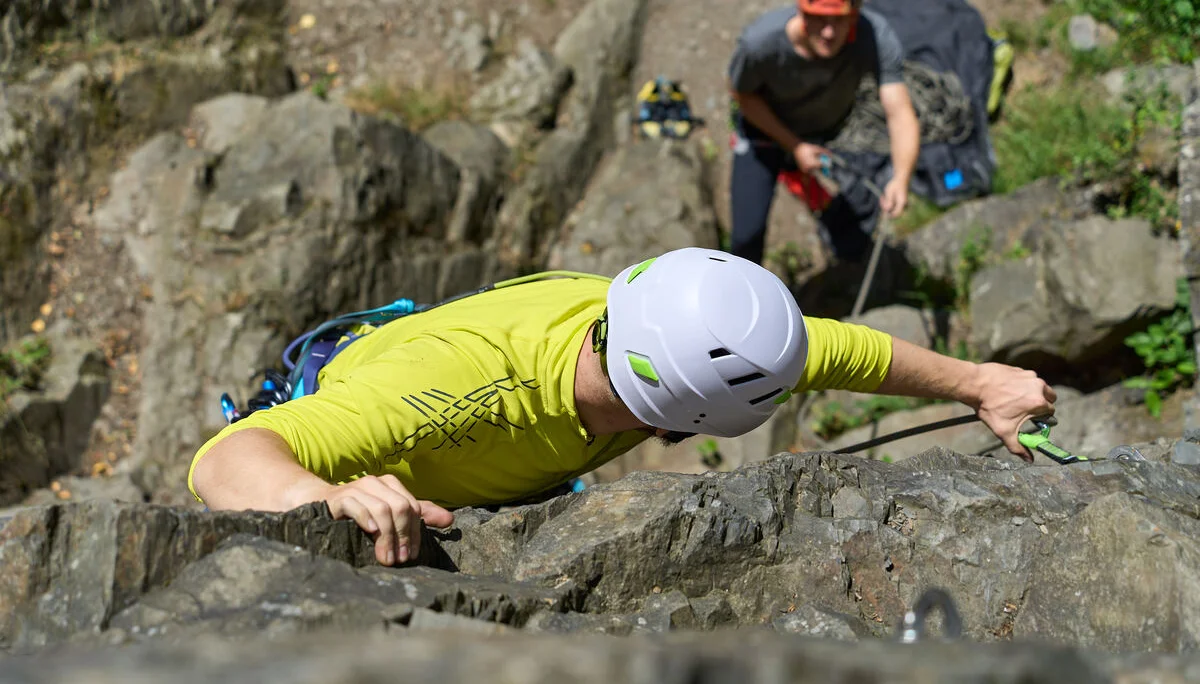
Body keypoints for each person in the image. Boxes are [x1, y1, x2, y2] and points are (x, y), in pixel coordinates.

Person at [190, 247, 1055, 567]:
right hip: (380, 435)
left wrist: (980, 382)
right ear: (680, 425)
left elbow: (835, 348)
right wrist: (328, 498)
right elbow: (223, 461)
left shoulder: (664, 322)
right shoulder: (452, 397)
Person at [728, 0, 920, 264]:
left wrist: (900, 178)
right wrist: (794, 146)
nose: (829, 32)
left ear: (853, 16)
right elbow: (743, 96)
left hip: (826, 133)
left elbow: (899, 112)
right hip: (764, 134)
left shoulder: (873, 35)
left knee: (860, 214)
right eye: (819, 19)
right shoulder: (761, 44)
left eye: (838, 20)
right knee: (746, 239)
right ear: (802, 14)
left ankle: (839, 260)